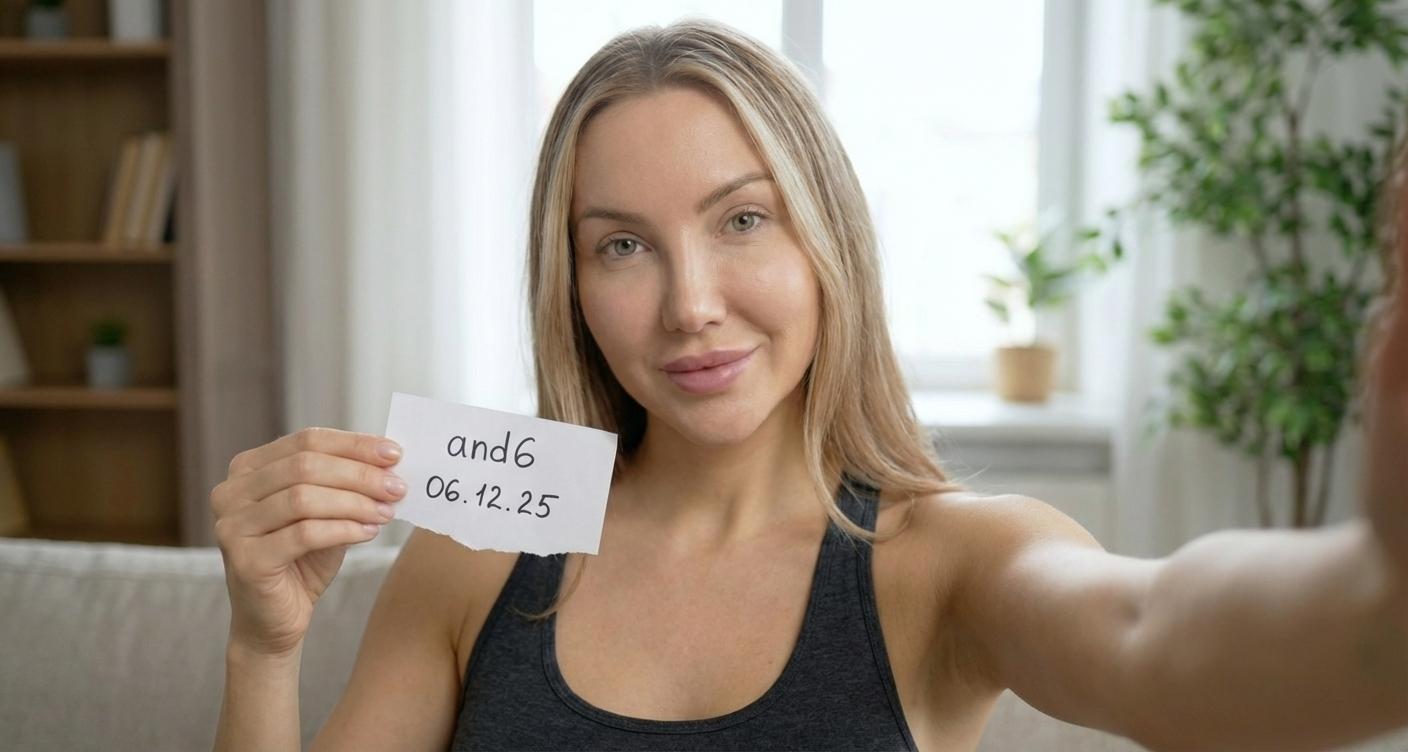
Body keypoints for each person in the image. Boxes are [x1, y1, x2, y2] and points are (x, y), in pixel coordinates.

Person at [212, 19, 1408, 752]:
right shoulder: (479, 548)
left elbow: (1157, 638)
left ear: (827, 240)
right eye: (621, 244)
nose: (690, 303)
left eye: (743, 219)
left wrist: (1381, 586)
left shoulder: (946, 561)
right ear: (569, 284)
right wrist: (265, 646)